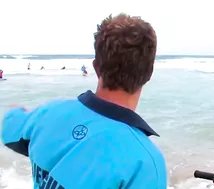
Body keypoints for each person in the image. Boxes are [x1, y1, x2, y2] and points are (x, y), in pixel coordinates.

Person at [1, 13, 167, 189]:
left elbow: (9, 127)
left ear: (96, 67)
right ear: (149, 73)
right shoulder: (145, 164)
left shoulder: (48, 113)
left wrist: (16, 112)